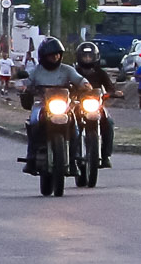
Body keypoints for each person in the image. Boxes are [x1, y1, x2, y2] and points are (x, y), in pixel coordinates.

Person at [18, 38, 96, 173]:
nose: (55, 57)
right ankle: (31, 158)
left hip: (65, 105)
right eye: (51, 54)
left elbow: (80, 80)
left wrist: (86, 85)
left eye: (57, 54)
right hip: (42, 104)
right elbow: (27, 82)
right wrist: (24, 87)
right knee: (33, 123)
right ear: (43, 56)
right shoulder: (37, 70)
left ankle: (74, 159)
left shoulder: (67, 70)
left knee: (76, 127)